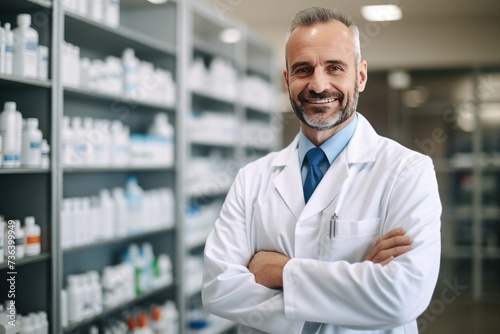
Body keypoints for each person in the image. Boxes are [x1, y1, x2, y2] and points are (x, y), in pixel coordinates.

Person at [202, 6, 441, 334]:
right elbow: (218, 289)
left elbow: (402, 296)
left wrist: (280, 272)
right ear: (287, 80)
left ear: (360, 75)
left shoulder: (408, 171)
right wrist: (357, 278)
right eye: (303, 69)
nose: (318, 85)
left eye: (334, 68)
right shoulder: (251, 179)